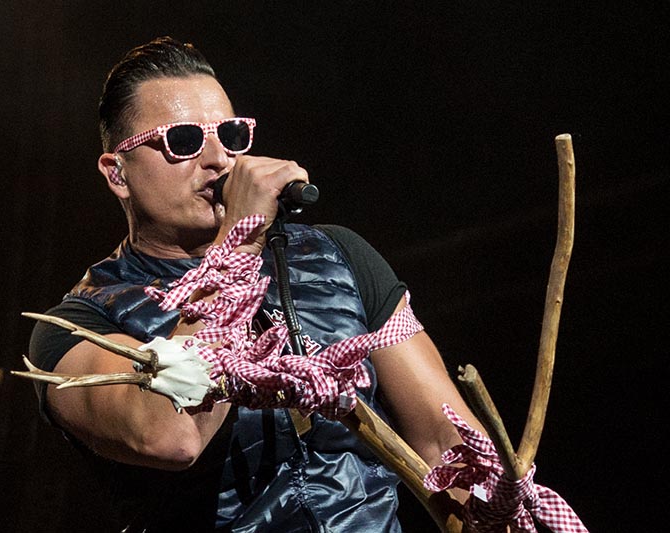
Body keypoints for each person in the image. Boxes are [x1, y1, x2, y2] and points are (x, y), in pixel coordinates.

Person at [27, 36, 485, 532]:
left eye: (228, 134)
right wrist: (238, 244)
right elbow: (168, 435)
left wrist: (496, 502)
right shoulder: (74, 326)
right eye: (182, 141)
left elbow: (444, 440)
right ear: (117, 173)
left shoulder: (338, 256)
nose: (218, 160)